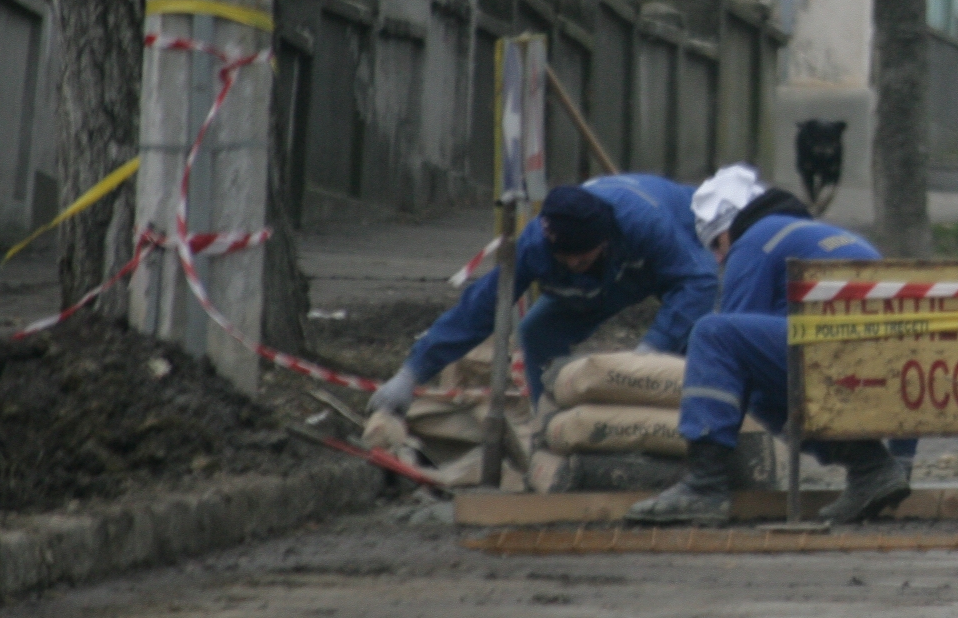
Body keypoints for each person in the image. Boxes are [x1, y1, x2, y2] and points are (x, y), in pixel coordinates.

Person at [628, 165, 915, 525]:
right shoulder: (818, 233)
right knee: (761, 387)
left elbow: (728, 348)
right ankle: (873, 468)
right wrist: (904, 460)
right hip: (887, 367)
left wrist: (703, 418)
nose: (718, 259)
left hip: (836, 357)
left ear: (731, 227)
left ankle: (703, 486)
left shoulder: (755, 240)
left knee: (711, 332)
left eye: (717, 243)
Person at [367, 174, 718, 415]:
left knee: (700, 334)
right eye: (566, 258)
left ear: (604, 240)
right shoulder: (535, 246)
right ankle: (550, 421)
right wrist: (411, 374)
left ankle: (700, 427)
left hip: (682, 258)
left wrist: (652, 347)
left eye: (583, 256)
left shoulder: (644, 223)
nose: (575, 263)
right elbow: (480, 309)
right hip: (597, 288)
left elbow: (699, 281)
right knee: (537, 332)